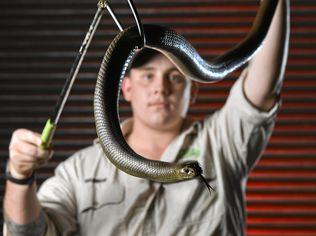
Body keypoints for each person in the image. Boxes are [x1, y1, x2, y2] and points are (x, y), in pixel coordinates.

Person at [3, 0, 290, 235]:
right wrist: (19, 174)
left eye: (175, 77)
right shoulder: (79, 170)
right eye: (148, 76)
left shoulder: (222, 142)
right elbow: (27, 233)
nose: (160, 88)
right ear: (124, 87)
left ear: (193, 91)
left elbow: (264, 87)